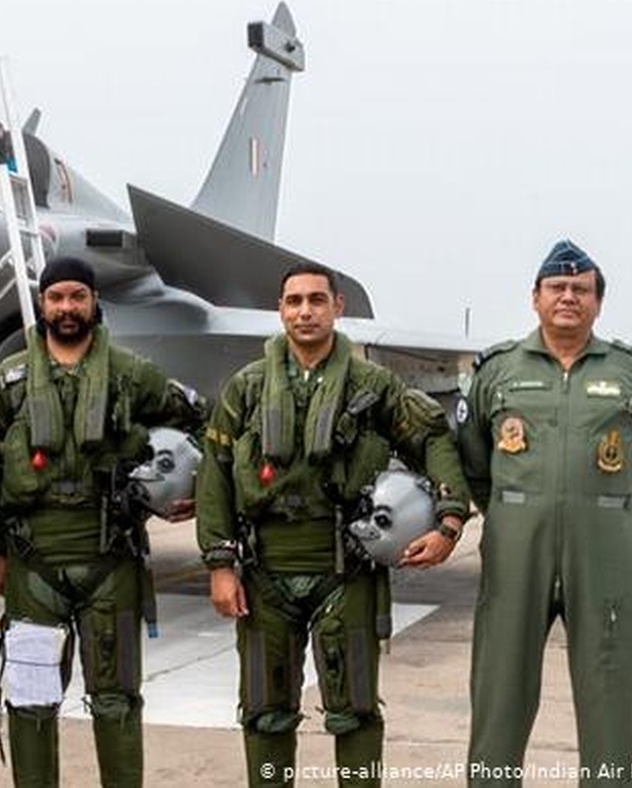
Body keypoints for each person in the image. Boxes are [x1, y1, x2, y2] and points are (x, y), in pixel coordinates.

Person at [196, 264, 471, 787]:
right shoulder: (246, 390)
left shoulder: (373, 386)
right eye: (294, 301)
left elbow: (433, 438)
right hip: (263, 572)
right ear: (280, 310)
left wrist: (449, 520)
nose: (305, 311)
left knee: (355, 711)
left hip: (346, 570)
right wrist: (219, 563)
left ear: (337, 307)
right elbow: (216, 475)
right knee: (264, 711)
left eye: (316, 300)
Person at [0, 256, 207, 788]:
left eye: (77, 297)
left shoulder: (132, 375)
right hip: (33, 568)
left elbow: (205, 424)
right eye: (57, 298)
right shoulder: (5, 386)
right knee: (31, 703)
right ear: (41, 305)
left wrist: (196, 490)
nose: (67, 308)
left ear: (94, 302)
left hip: (112, 562)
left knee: (117, 701)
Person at [458, 240, 632, 786]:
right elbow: (472, 460)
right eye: (556, 288)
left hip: (605, 558)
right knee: (499, 696)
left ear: (598, 304)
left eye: (581, 289)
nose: (568, 297)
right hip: (516, 555)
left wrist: (611, 517)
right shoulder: (497, 370)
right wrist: (514, 515)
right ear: (535, 298)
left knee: (610, 695)